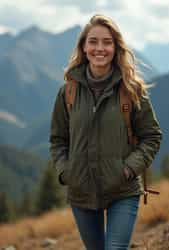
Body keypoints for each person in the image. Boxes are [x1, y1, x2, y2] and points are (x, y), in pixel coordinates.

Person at [49, 14, 162, 250]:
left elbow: (151, 136)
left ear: (116, 47)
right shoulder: (68, 92)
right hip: (81, 192)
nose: (100, 48)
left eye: (107, 42)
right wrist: (66, 172)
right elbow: (58, 140)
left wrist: (129, 169)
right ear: (83, 47)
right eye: (93, 41)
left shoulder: (132, 90)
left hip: (123, 189)